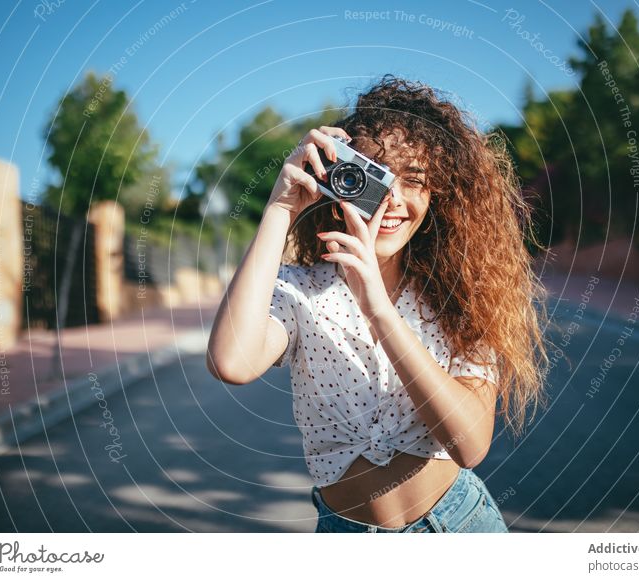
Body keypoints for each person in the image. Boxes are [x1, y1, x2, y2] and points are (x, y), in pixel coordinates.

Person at [206, 75, 550, 533]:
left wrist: (380, 311)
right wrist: (280, 210)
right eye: (375, 175)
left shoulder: (461, 294)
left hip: (459, 527)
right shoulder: (300, 290)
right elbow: (233, 361)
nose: (392, 200)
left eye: (414, 180)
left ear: (436, 197)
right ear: (337, 183)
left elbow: (469, 445)